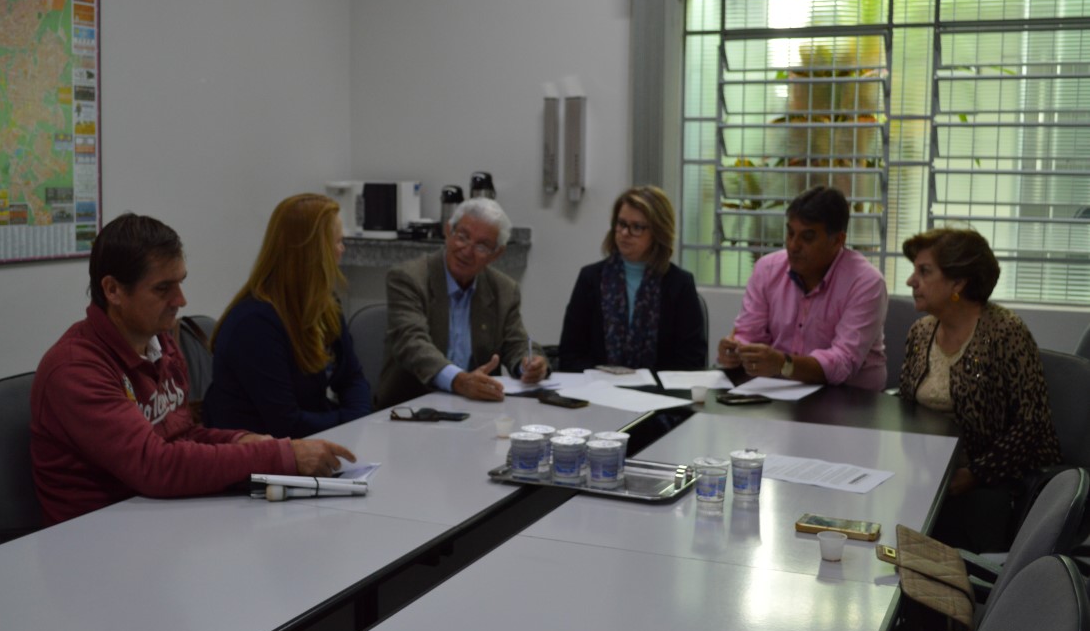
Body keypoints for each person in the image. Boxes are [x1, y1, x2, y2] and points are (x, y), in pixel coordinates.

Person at [30, 213, 355, 526]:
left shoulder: (161, 343)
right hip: (93, 539)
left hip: (156, 517)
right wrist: (279, 456)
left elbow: (181, 435)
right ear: (113, 290)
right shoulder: (77, 369)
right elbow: (155, 465)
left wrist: (241, 440)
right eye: (162, 288)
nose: (181, 300)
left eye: (181, 283)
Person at [899, 227, 1061, 552]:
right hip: (927, 477)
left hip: (988, 485)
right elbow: (905, 406)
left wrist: (973, 474)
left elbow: (1032, 427)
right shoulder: (921, 332)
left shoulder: (1005, 333)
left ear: (958, 283)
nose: (911, 281)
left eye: (924, 271)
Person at [204, 193, 371, 437]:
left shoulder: (325, 306)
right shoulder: (254, 324)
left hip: (307, 443)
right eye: (336, 242)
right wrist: (349, 422)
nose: (341, 250)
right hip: (259, 459)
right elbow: (285, 424)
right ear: (314, 253)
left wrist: (357, 419)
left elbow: (352, 378)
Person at [374, 198, 548, 409]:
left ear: (496, 253)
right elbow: (412, 344)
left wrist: (529, 364)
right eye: (463, 236)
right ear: (448, 231)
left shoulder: (503, 290)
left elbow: (516, 343)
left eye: (482, 246)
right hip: (409, 411)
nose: (467, 250)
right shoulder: (408, 278)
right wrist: (459, 381)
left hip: (476, 411)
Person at [717, 185, 887, 390]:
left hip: (849, 399)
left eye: (807, 237)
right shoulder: (768, 269)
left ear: (838, 241)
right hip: (779, 394)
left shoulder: (866, 282)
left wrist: (783, 364)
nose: (793, 245)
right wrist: (736, 351)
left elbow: (843, 363)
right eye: (790, 234)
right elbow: (750, 334)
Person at [558, 186, 705, 372]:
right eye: (621, 224)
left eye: (637, 227)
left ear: (658, 232)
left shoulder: (679, 284)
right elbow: (570, 355)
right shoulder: (591, 279)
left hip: (659, 396)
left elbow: (691, 361)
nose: (625, 233)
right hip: (598, 391)